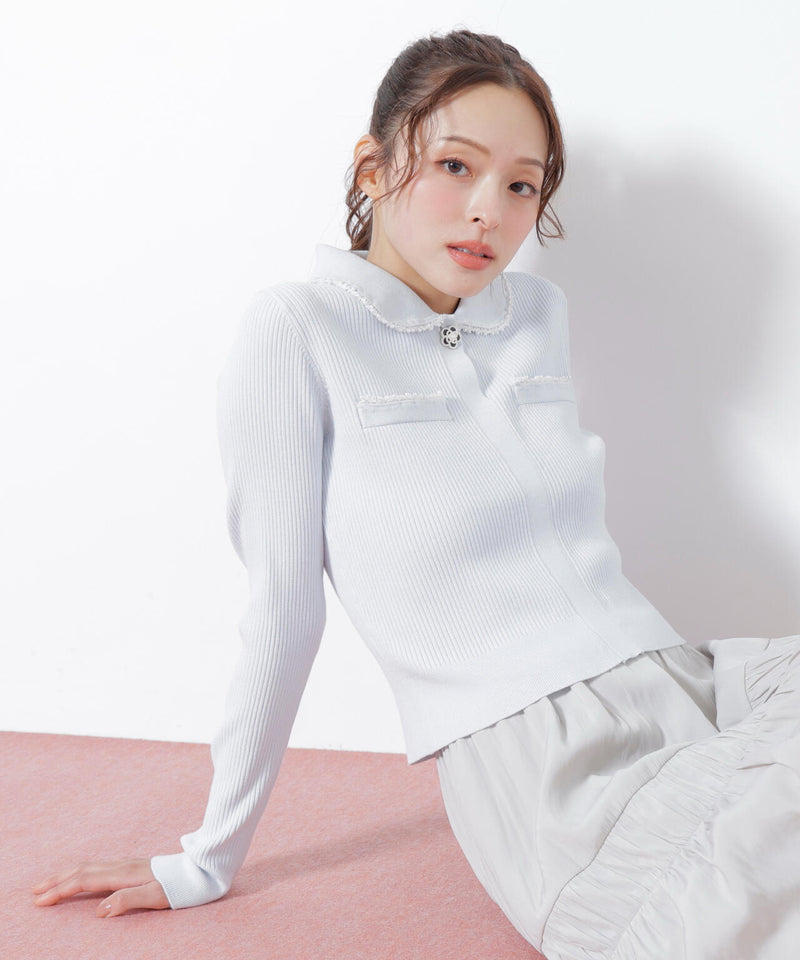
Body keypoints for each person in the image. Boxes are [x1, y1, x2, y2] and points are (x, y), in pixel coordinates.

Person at [33, 27, 800, 959]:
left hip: (690, 688)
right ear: (373, 167)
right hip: (556, 774)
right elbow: (283, 613)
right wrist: (208, 856)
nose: (489, 212)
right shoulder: (297, 330)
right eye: (455, 166)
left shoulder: (536, 316)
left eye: (521, 185)